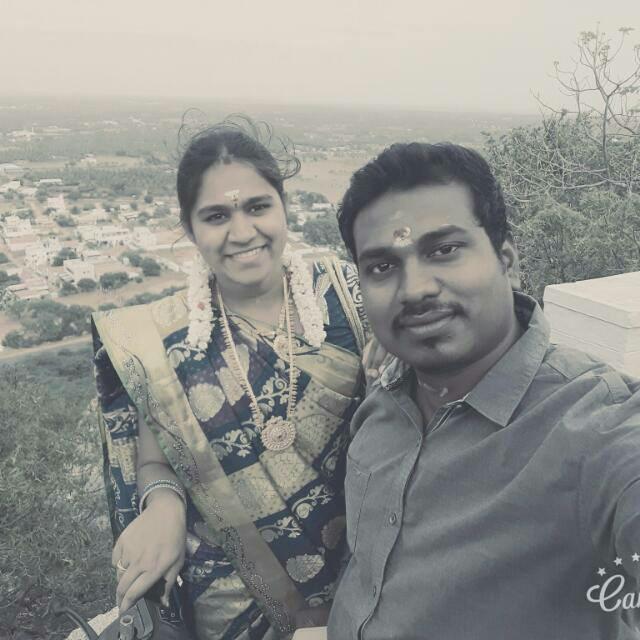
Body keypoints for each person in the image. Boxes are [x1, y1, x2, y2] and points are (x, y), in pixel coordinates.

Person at [327, 142, 640, 639]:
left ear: (507, 260)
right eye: (382, 266)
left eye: (444, 250)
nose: (415, 289)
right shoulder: (383, 402)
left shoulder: (594, 426)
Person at [91, 118, 370, 639]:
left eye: (258, 207)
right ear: (190, 227)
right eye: (217, 215)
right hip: (230, 599)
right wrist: (164, 506)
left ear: (284, 206)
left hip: (366, 580)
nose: (242, 233)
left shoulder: (350, 299)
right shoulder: (164, 339)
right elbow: (156, 460)